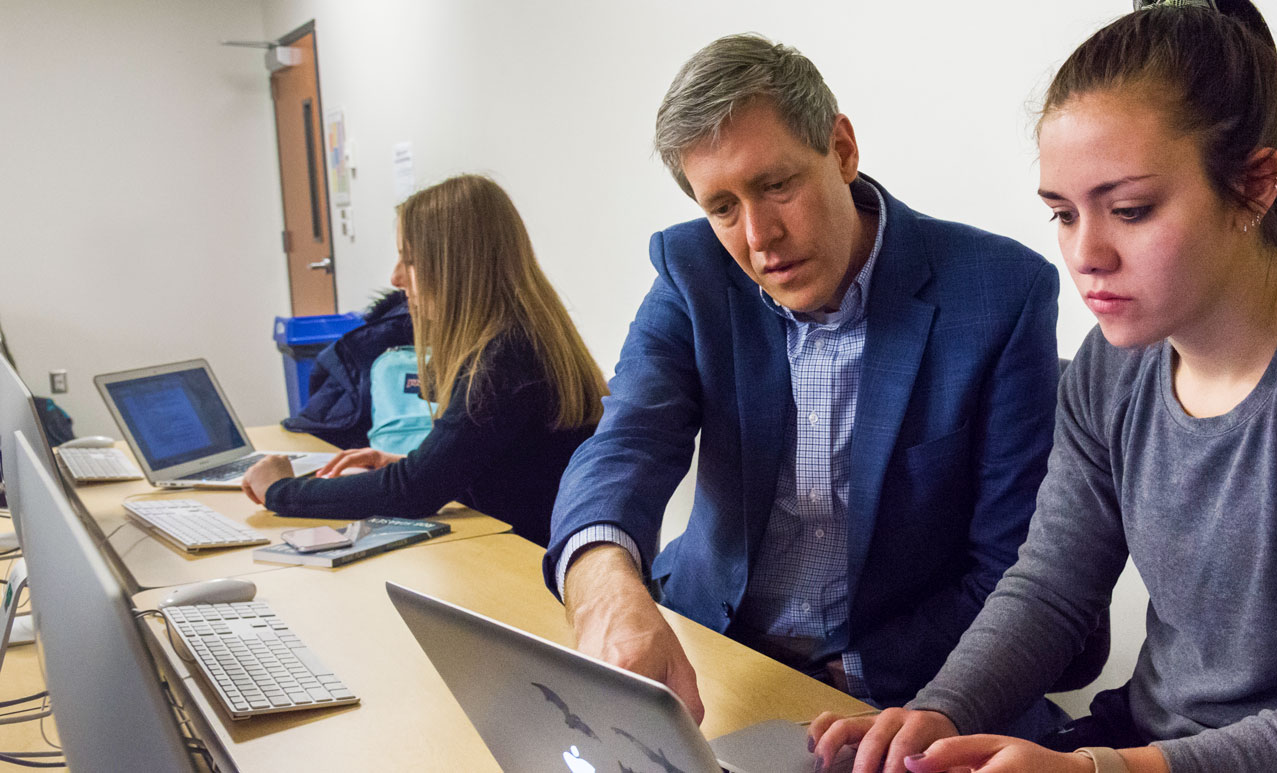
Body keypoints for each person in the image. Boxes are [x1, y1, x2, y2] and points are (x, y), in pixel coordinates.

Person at [809, 1, 1277, 771]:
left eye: (1130, 210)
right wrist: (933, 716)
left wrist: (1098, 770)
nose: (1085, 255)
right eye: (1061, 213)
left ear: (1254, 186)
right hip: (1152, 749)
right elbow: (1049, 589)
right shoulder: (1110, 367)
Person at [545, 33, 1104, 736]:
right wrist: (604, 583)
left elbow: (1011, 568)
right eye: (722, 207)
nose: (758, 237)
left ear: (841, 149)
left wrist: (850, 676)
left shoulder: (998, 293)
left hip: (896, 685)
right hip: (718, 655)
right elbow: (624, 442)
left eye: (777, 185)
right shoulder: (693, 274)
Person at [242, 174, 608, 546]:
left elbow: (412, 492)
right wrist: (404, 463)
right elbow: (473, 469)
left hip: (524, 566)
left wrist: (280, 490)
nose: (396, 277)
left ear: (457, 268)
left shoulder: (504, 360)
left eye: (411, 261)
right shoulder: (524, 335)